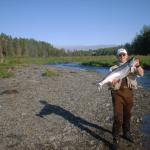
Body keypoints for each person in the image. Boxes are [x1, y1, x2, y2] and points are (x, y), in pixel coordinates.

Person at [109, 48, 144, 149]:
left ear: (127, 56)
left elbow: (141, 74)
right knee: (118, 118)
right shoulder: (112, 68)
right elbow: (109, 85)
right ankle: (115, 138)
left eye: (124, 55)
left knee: (128, 115)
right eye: (120, 55)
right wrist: (111, 83)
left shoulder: (133, 67)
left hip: (129, 94)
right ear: (117, 57)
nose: (122, 57)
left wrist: (137, 65)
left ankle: (126, 133)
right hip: (117, 94)